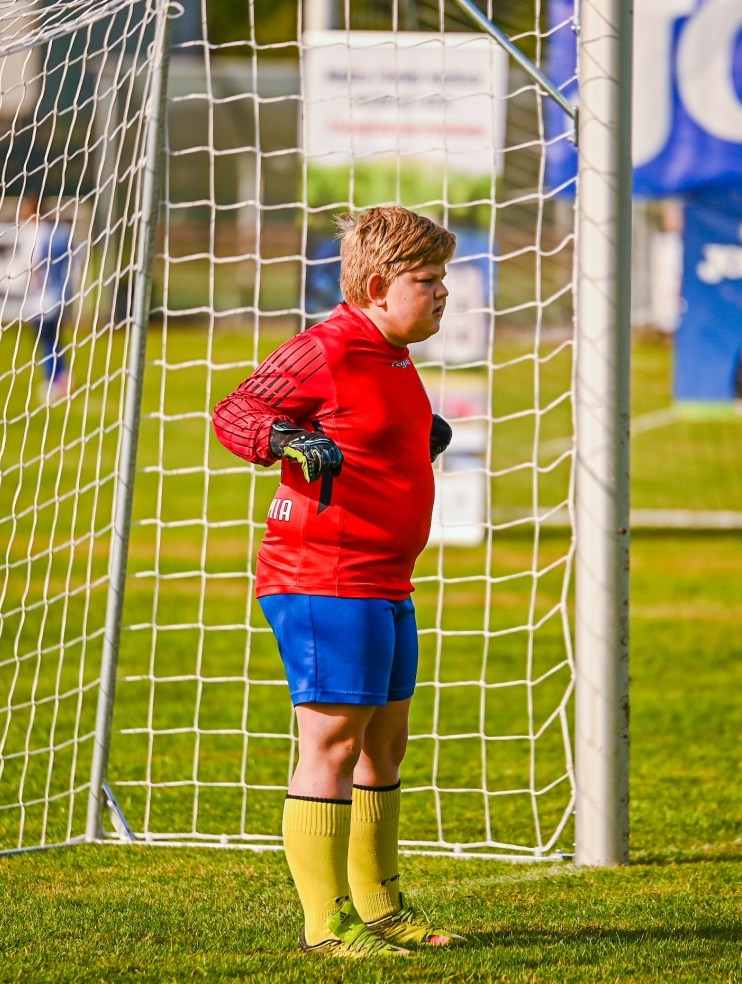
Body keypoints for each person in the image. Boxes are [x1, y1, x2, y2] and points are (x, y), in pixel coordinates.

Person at [211, 205, 459, 957]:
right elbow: (236, 409)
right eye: (428, 279)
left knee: (388, 742)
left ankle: (381, 906)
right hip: (323, 576)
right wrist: (283, 435)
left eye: (445, 276)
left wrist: (423, 438)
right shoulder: (327, 345)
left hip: (386, 580)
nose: (444, 291)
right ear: (378, 285)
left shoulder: (393, 352)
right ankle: (327, 923)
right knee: (333, 741)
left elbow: (366, 433)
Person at [22, 196, 73, 402]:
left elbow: (32, 267)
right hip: (59, 296)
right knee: (53, 341)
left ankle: (54, 382)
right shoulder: (59, 232)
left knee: (46, 342)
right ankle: (63, 378)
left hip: (41, 300)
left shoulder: (33, 234)